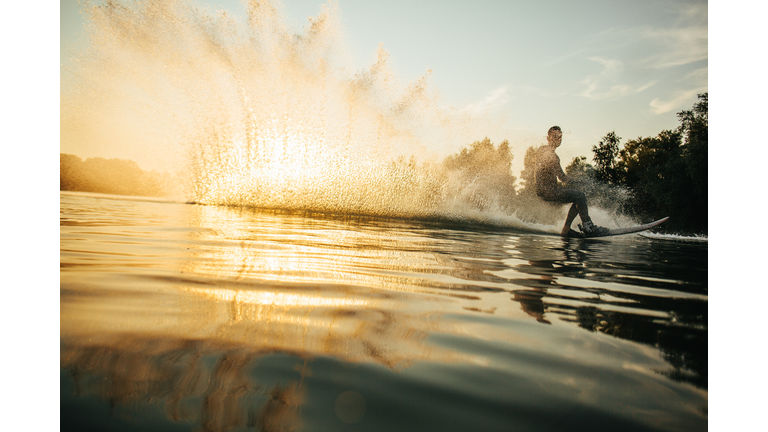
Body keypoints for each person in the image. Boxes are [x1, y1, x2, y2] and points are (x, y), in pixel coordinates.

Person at [534, 126, 608, 236]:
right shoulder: (545, 151)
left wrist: (578, 181)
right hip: (546, 190)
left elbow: (560, 176)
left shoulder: (552, 154)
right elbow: (562, 178)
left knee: (578, 198)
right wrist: (580, 182)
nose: (557, 139)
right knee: (580, 196)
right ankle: (588, 226)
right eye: (554, 137)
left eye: (559, 137)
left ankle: (566, 229)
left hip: (550, 189)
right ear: (548, 138)